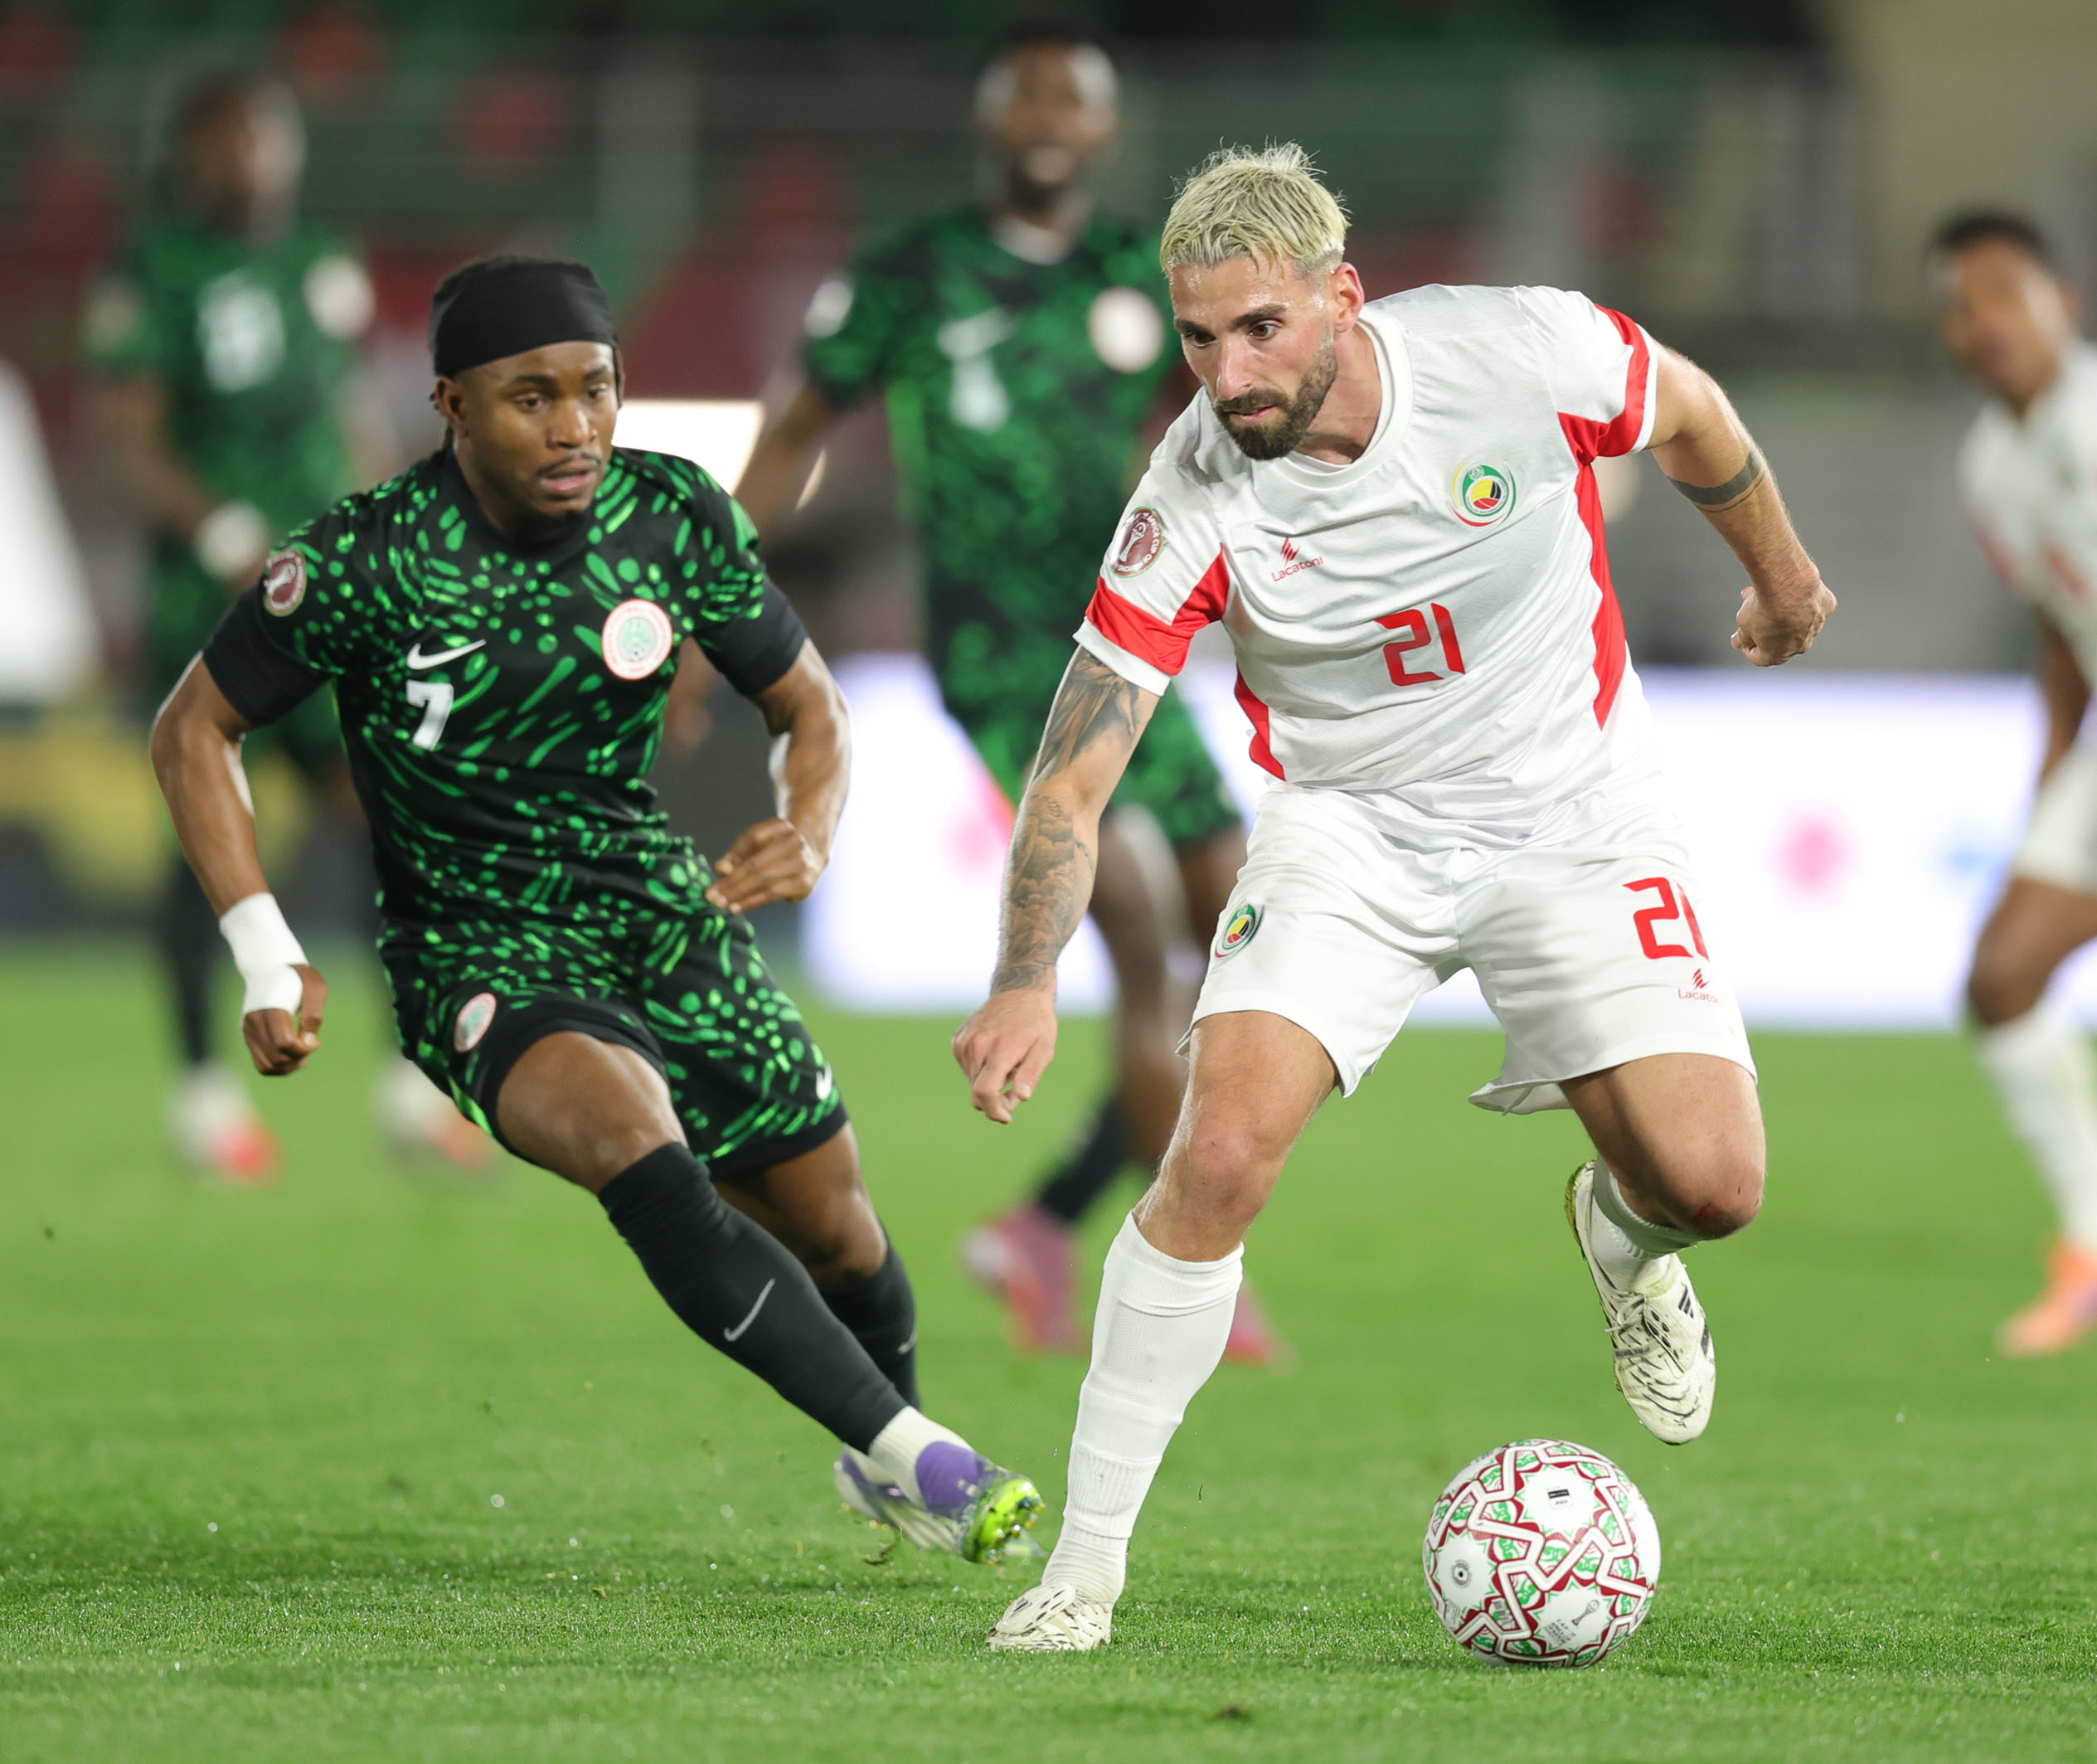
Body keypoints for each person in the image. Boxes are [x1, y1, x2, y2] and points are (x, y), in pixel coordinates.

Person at [954, 144, 1835, 1651]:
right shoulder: (1193, 489)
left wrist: (1783, 575)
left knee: (1713, 1189)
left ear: (1341, 299)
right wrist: (1025, 976)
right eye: (1197, 337)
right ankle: (1081, 1575)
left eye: (1259, 329)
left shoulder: (1520, 351)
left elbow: (1689, 411)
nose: (1226, 374)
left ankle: (1625, 1240)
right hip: (1350, 834)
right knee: (1215, 1154)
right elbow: (1070, 776)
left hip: (1576, 812)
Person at [148, 254, 1043, 1564]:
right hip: (477, 948)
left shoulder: (671, 515)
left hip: (660, 916)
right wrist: (265, 950)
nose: (574, 426)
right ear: (451, 404)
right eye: (532, 398)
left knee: (837, 1226)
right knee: (638, 1143)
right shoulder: (365, 556)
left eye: (596, 389)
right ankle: (926, 1459)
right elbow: (193, 727)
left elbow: (808, 703)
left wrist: (809, 825)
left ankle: (883, 1455)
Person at [732, 23, 1279, 1363]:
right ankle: (1188, 1273)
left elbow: (1224, 422)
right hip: (996, 652)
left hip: (1128, 634)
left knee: (1247, 937)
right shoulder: (911, 275)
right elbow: (796, 428)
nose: (1044, 118)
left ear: (1102, 129)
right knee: (1137, 930)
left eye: (1069, 100)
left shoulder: (1140, 275)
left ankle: (1047, 1223)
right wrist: (707, 600)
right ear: (988, 121)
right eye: (1022, 96)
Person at [85, 71, 480, 1181]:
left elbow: (349, 409)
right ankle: (202, 1096)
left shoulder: (317, 259)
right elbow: (131, 436)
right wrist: (215, 525)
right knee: (209, 835)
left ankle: (413, 1087)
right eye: (233, 141)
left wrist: (392, 525)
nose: (255, 161)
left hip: (329, 588)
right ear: (190, 155)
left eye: (268, 139)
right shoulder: (152, 271)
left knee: (388, 813)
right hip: (212, 600)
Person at [1937, 211, 2097, 1355]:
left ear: (2060, 301)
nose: (1980, 320)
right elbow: (2060, 634)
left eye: (2002, 292)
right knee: (2004, 976)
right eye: (1958, 305)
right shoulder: (1990, 465)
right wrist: (2046, 787)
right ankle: (2088, 1248)